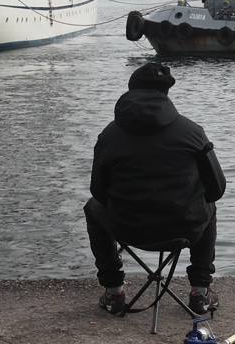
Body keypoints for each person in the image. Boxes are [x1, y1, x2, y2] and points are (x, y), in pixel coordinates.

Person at [85, 62, 226, 317]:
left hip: (126, 228)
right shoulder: (192, 133)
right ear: (166, 94)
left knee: (92, 208)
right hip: (183, 229)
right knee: (209, 206)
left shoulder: (109, 136)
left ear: (130, 92)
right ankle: (200, 292)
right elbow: (217, 189)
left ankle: (114, 291)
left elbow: (98, 191)